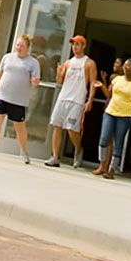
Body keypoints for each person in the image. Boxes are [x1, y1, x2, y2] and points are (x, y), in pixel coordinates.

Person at [0, 35, 41, 163]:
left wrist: (35, 81)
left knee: (19, 126)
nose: (19, 48)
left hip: (18, 100)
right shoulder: (7, 57)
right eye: (18, 45)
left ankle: (23, 152)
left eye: (22, 46)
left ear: (28, 48)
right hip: (2, 95)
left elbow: (35, 81)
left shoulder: (33, 62)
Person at [44, 35, 96, 168]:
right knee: (57, 126)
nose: (75, 47)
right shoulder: (68, 63)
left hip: (77, 101)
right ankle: (55, 156)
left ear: (83, 46)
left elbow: (93, 83)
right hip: (63, 98)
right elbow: (60, 82)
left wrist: (89, 101)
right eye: (73, 44)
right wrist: (58, 73)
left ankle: (78, 150)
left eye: (78, 44)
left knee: (72, 129)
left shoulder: (89, 63)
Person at [94, 56, 131, 179]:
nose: (125, 67)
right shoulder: (117, 79)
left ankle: (112, 169)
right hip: (110, 112)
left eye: (128, 65)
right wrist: (102, 86)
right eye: (124, 65)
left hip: (124, 116)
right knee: (104, 139)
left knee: (118, 143)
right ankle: (102, 165)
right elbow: (109, 95)